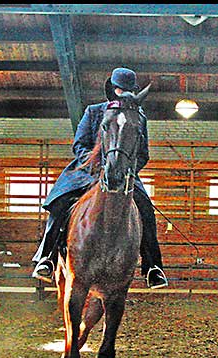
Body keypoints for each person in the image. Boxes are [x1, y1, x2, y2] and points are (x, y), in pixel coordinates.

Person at [31, 67, 168, 289]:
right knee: (59, 202)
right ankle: (46, 257)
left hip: (124, 174)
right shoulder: (94, 112)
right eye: (120, 90)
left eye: (127, 91)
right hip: (87, 172)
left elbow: (142, 153)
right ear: (113, 91)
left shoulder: (139, 118)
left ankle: (153, 267)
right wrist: (98, 167)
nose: (123, 94)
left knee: (146, 209)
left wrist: (127, 170)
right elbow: (80, 145)